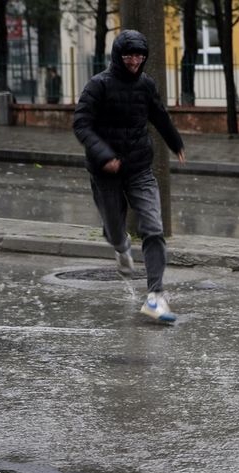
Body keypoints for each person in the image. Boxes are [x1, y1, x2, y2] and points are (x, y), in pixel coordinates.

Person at [73, 29, 186, 323]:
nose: (134, 61)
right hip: (105, 172)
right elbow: (81, 124)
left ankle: (155, 297)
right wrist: (105, 155)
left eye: (139, 56)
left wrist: (175, 142)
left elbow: (159, 114)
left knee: (154, 228)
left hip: (139, 167)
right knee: (114, 229)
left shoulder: (146, 84)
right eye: (128, 56)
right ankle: (121, 246)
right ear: (118, 56)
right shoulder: (98, 85)